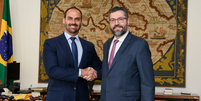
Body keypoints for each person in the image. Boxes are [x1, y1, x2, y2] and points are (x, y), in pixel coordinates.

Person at [43, 7, 102, 101]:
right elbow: (52, 71)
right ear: (64, 20)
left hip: (82, 97)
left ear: (81, 22)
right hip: (58, 98)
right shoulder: (51, 44)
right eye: (70, 18)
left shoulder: (89, 46)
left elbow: (101, 69)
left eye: (77, 19)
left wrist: (94, 74)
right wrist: (81, 72)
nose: (73, 22)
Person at [100, 6, 155, 101]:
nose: (116, 23)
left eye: (120, 19)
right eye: (112, 20)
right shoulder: (107, 45)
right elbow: (109, 74)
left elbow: (147, 82)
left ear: (128, 21)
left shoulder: (140, 44)